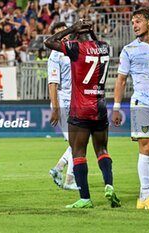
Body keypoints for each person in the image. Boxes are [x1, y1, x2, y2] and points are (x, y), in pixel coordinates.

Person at [44, 19, 121, 208]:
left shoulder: (76, 48)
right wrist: (90, 31)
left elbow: (49, 42)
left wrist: (72, 29)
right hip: (100, 106)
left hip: (80, 106)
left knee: (78, 151)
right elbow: (95, 42)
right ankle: (109, 185)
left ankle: (85, 197)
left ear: (76, 35)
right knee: (102, 150)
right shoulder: (104, 47)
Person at [112, 7, 149, 210]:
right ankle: (147, 196)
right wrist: (115, 107)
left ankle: (142, 196)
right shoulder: (129, 50)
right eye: (132, 23)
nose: (134, 25)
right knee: (146, 146)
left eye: (138, 21)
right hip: (141, 103)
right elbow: (121, 80)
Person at [47, 22, 77, 190]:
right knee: (76, 141)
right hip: (63, 100)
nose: (64, 36)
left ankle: (59, 168)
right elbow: (53, 84)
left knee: (78, 140)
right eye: (59, 33)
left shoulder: (72, 50)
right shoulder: (55, 56)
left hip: (75, 101)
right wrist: (56, 109)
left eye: (65, 32)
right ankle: (69, 179)